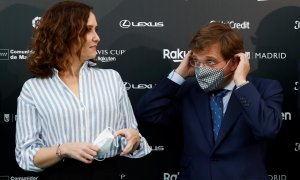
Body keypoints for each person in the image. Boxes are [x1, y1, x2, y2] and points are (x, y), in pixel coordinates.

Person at [15, 1, 151, 179]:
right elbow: (25, 156)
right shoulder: (33, 89)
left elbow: (131, 135)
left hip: (106, 173)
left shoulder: (111, 79)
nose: (97, 37)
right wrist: (63, 150)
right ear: (64, 33)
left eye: (96, 29)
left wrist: (135, 139)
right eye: (88, 29)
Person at [135, 22, 283, 180]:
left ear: (234, 62)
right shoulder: (188, 91)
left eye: (210, 62)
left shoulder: (264, 89)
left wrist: (241, 82)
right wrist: (179, 74)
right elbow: (147, 113)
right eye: (197, 62)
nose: (201, 69)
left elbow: (267, 130)